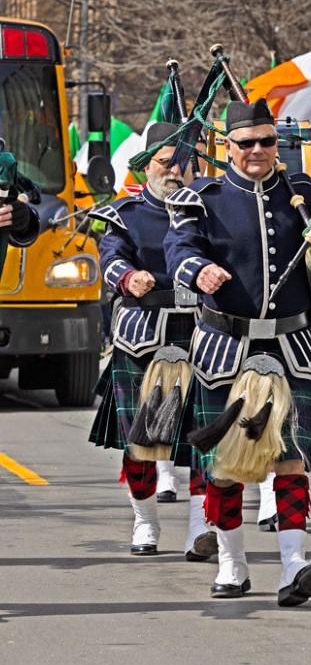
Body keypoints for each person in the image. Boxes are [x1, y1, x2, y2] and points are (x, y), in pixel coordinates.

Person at [164, 99, 311, 605]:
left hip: (292, 344)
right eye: (246, 142)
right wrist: (197, 270)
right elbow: (178, 249)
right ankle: (232, 562)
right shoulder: (200, 198)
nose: (258, 151)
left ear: (277, 144)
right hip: (226, 345)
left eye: (267, 141)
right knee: (225, 466)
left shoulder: (306, 192)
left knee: (291, 459)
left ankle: (293, 565)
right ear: (228, 146)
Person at [87, 121, 214, 560]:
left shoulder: (210, 210)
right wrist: (127, 276)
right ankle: (145, 520)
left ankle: (201, 527)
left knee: (207, 438)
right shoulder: (126, 213)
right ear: (146, 167)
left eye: (183, 162)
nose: (175, 170)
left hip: (204, 334)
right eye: (165, 162)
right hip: (144, 336)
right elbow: (111, 257)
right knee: (141, 443)